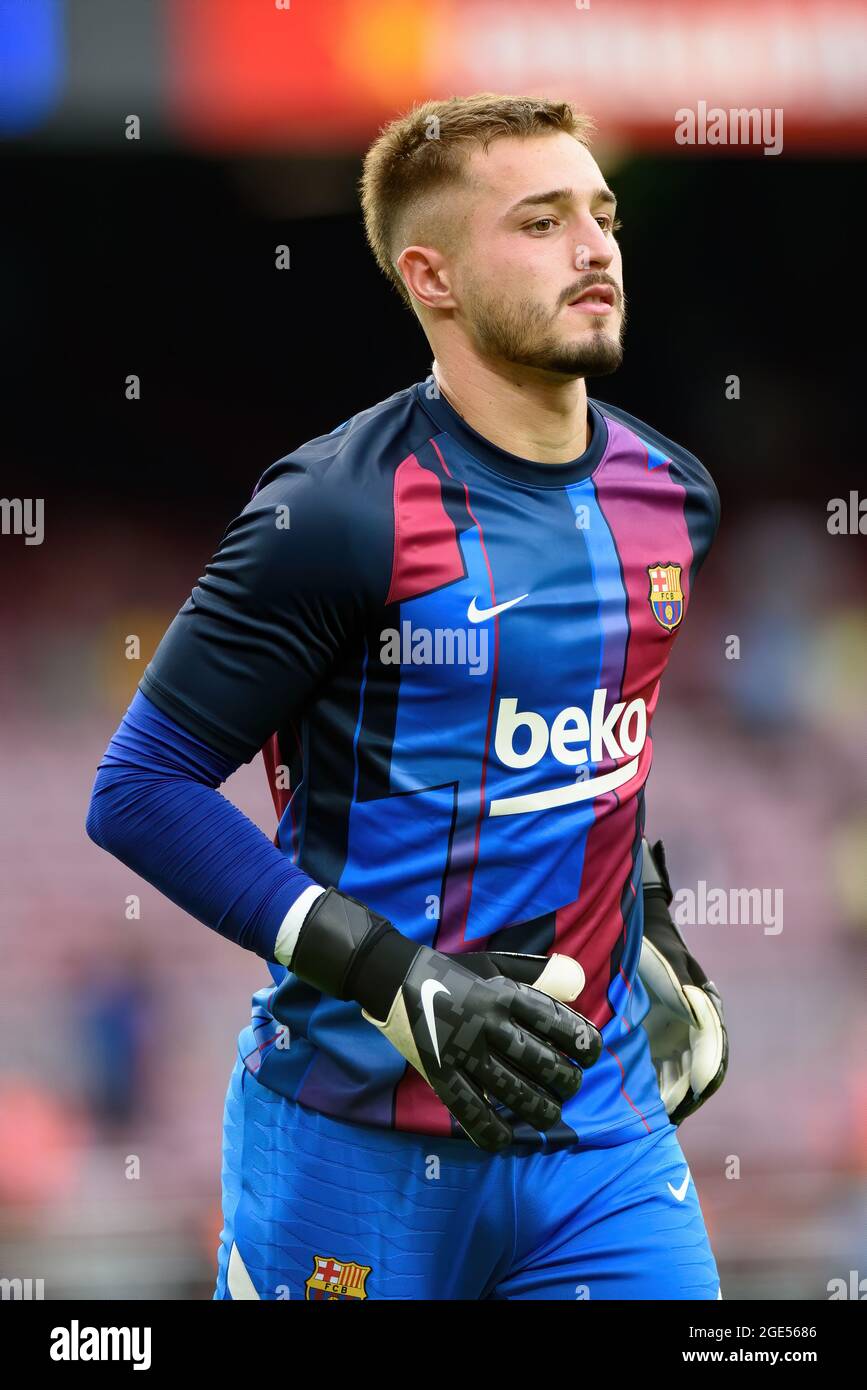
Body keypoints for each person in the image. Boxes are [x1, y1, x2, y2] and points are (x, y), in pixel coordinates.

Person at [87, 93, 725, 1300]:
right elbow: (137, 792)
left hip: (600, 1132)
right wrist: (395, 976)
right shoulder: (332, 511)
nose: (596, 249)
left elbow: (599, 759)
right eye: (540, 223)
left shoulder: (669, 494)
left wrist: (666, 941)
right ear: (430, 275)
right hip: (349, 1136)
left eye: (604, 214)